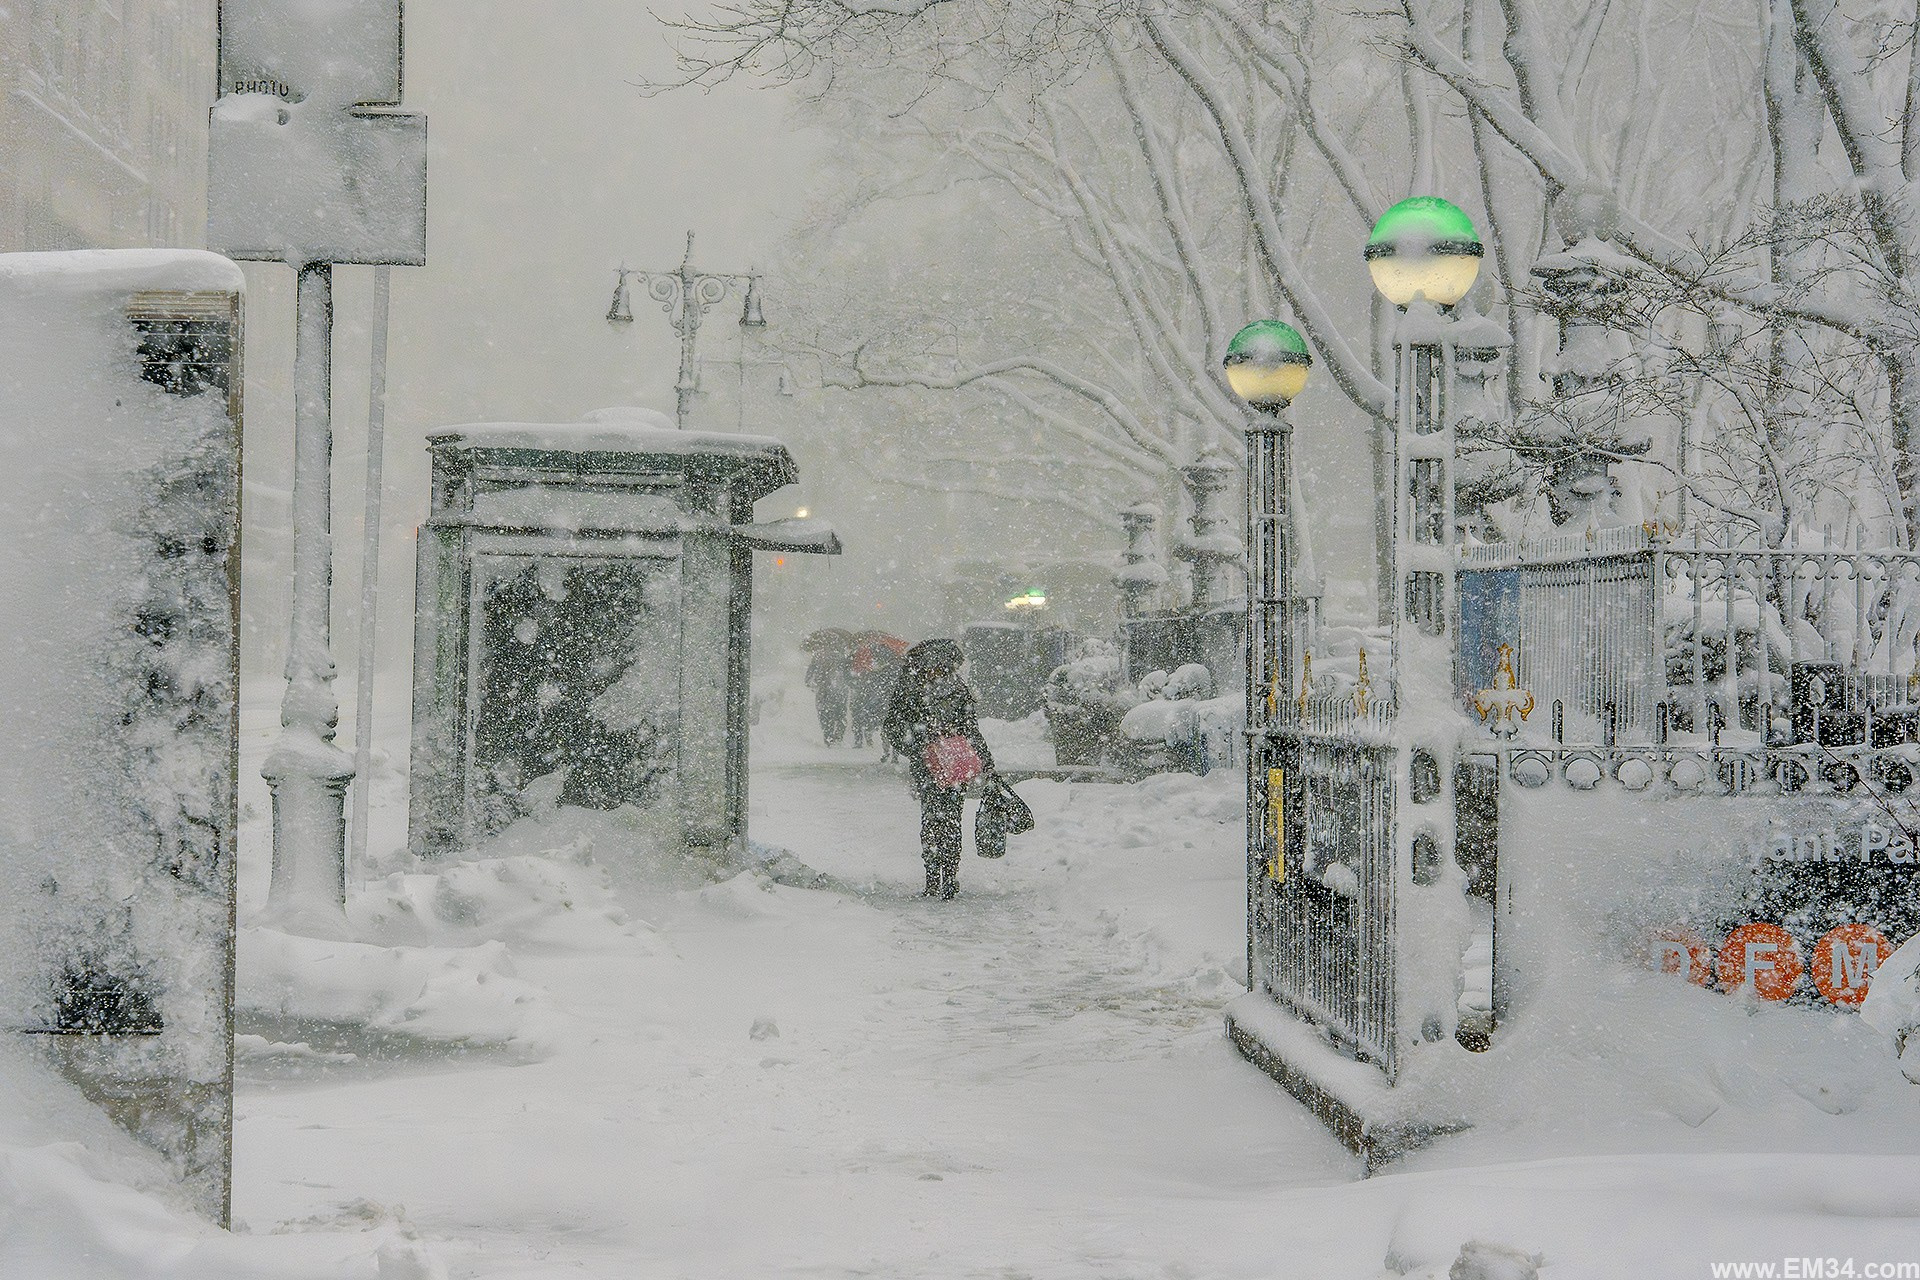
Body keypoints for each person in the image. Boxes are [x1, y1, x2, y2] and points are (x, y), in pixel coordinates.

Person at [883, 638, 995, 900]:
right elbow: (894, 727)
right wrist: (921, 744)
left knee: (948, 820)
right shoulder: (915, 690)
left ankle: (948, 875)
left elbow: (970, 730)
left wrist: (984, 760)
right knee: (935, 819)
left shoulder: (948, 689)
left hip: (951, 766)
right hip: (930, 766)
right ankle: (935, 875)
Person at [848, 639, 903, 751]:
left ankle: (868, 734)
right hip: (882, 693)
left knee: (868, 713)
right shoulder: (892, 664)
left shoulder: (882, 664)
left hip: (880, 693)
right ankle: (871, 735)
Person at [805, 642, 852, 745]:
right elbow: (848, 675)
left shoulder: (818, 657)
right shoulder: (841, 657)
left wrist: (810, 682)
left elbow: (809, 673)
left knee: (823, 713)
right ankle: (838, 734)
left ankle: (828, 735)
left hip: (823, 690)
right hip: (840, 690)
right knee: (840, 713)